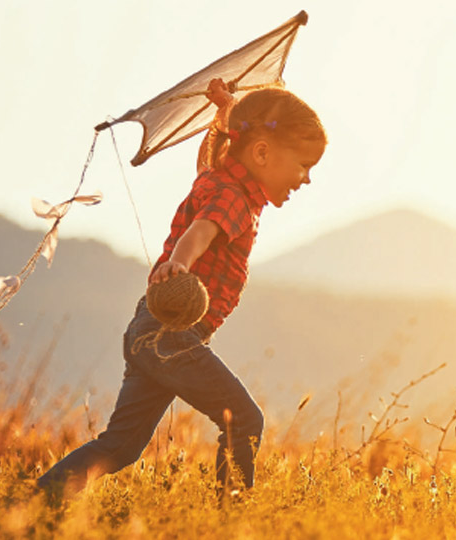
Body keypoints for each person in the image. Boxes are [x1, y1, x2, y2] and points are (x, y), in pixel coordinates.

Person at [37, 78, 327, 500]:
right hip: (169, 337)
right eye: (304, 165)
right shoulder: (233, 198)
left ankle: (38, 500)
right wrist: (179, 263)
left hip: (148, 333)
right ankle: (231, 515)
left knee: (120, 445)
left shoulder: (218, 178)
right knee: (244, 419)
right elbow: (201, 231)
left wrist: (226, 112)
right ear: (262, 153)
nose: (306, 179)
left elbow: (212, 158)